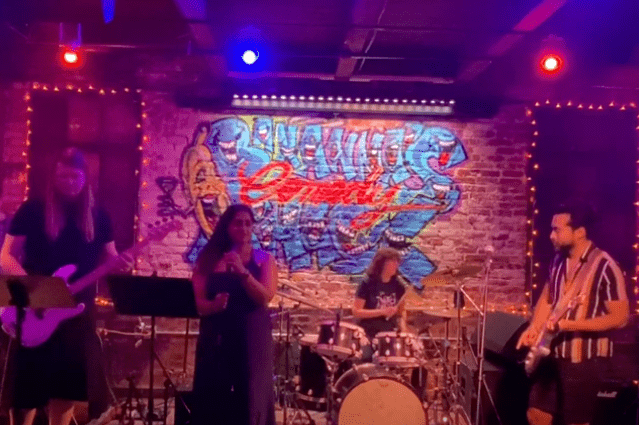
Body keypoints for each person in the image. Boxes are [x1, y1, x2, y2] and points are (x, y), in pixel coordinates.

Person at [0, 148, 129, 425]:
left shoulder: (99, 216)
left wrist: (123, 264)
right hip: (35, 304)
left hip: (77, 310)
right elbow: (6, 256)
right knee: (26, 390)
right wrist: (34, 288)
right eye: (63, 177)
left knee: (67, 387)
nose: (69, 182)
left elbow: (111, 258)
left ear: (85, 179)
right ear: (53, 178)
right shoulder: (32, 210)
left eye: (75, 177)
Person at [516, 202, 629, 425]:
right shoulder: (558, 261)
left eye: (557, 230)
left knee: (575, 421)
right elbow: (548, 298)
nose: (551, 236)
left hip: (583, 359)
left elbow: (620, 318)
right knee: (536, 415)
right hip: (551, 353)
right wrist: (534, 327)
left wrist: (570, 326)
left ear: (580, 232)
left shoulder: (606, 266)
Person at [191, 204, 277, 425]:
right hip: (216, 336)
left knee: (251, 397)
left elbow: (265, 297)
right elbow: (197, 301)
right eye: (238, 223)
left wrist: (242, 272)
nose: (244, 228)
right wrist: (213, 306)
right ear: (227, 226)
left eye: (248, 223)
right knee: (212, 395)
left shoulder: (264, 258)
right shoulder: (208, 259)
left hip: (252, 338)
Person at [352, 247, 407, 361]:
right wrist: (382, 312)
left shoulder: (399, 285)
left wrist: (404, 330)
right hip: (368, 332)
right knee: (365, 357)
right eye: (393, 262)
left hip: (389, 333)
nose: (396, 265)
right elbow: (356, 311)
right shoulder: (368, 283)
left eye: (397, 262)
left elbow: (401, 312)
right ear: (382, 263)